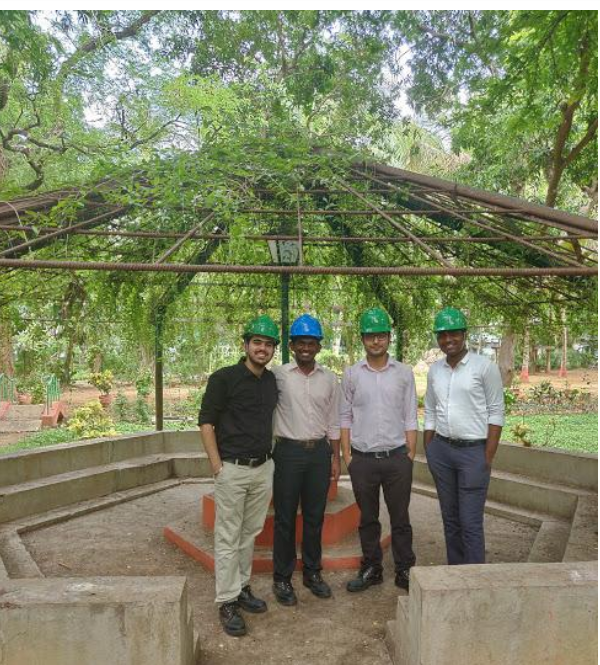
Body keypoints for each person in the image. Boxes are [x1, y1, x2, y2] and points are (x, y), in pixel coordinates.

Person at [198, 315, 279, 637]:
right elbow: (206, 422)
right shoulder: (224, 379)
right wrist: (217, 466)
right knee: (228, 536)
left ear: (273, 350)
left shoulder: (270, 381)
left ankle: (242, 587)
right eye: (257, 342)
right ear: (245, 345)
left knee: (249, 533)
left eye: (268, 344)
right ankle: (227, 600)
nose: (262, 349)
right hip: (232, 469)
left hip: (263, 468)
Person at [340, 307, 418, 592]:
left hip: (397, 458)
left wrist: (410, 454)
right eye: (370, 336)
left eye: (381, 335)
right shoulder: (352, 375)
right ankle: (372, 568)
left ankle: (404, 569)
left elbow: (410, 415)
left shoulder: (403, 373)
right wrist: (348, 456)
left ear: (389, 337)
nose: (376, 341)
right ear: (362, 339)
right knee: (368, 519)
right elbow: (344, 416)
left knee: (401, 519)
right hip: (363, 460)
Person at [423, 307, 505, 565]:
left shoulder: (484, 367)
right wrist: (430, 448)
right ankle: (454, 573)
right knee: (450, 519)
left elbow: (496, 412)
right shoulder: (435, 370)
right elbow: (430, 410)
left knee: (470, 521)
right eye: (442, 335)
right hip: (441, 451)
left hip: (473, 453)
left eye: (454, 334)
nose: (448, 339)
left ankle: (474, 577)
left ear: (464, 334)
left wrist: (487, 456)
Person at [271, 314, 341, 606]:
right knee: (285, 518)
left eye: (311, 343)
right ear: (291, 345)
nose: (306, 348)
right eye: (300, 343)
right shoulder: (278, 375)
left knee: (314, 516)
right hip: (287, 453)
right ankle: (282, 577)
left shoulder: (330, 379)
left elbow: (334, 420)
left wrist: (335, 457)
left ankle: (312, 573)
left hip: (319, 455)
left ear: (319, 346)